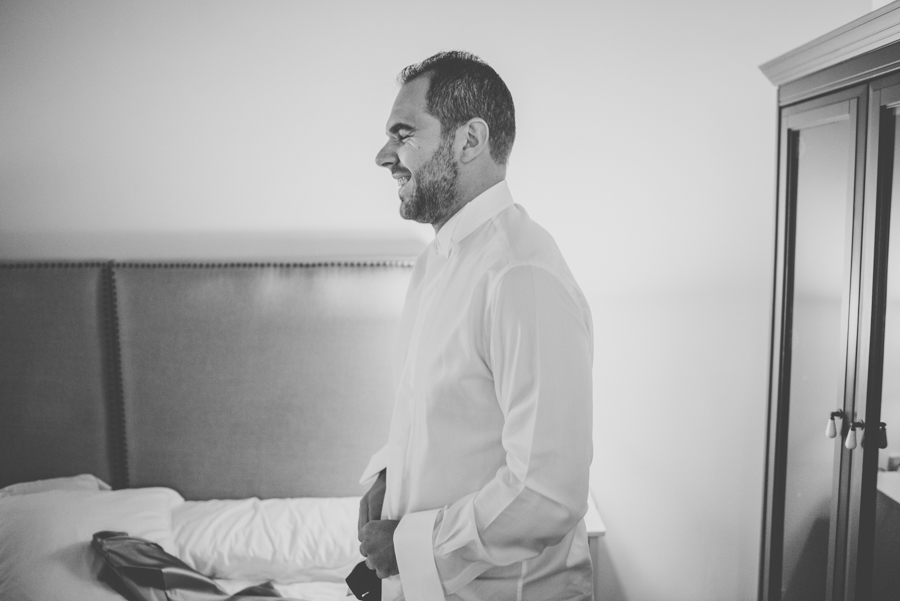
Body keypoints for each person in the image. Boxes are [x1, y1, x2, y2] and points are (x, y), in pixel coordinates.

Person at [357, 51, 594, 601]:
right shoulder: (434, 263)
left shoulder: (521, 275)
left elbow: (547, 492)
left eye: (403, 132)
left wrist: (411, 546)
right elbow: (444, 416)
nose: (383, 155)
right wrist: (389, 476)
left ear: (469, 140)